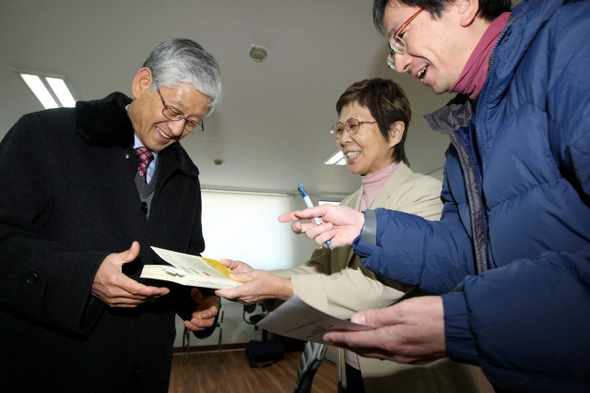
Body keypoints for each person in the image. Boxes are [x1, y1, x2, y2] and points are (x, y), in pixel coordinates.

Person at [278, 0, 590, 392]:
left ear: (463, 4)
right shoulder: (465, 139)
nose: (402, 62)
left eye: (401, 37)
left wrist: (469, 321)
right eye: (393, 52)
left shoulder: (572, 47)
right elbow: (462, 255)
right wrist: (364, 228)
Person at [217, 78, 480, 392]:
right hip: (354, 367)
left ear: (394, 132)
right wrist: (259, 277)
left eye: (354, 125)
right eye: (340, 129)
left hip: (411, 377)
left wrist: (276, 286)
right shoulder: (347, 205)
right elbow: (318, 268)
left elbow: (377, 288)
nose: (343, 138)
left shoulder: (426, 194)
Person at [0, 38, 223, 392]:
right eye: (174, 111)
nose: (179, 130)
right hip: (55, 367)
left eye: (193, 122)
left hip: (147, 372)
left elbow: (183, 262)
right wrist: (84, 277)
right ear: (143, 83)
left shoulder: (186, 178)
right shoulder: (43, 135)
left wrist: (200, 301)